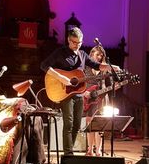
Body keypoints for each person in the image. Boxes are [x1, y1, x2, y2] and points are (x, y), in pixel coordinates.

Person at [41, 27, 119, 156]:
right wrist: (61, 77)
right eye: (74, 42)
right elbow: (44, 65)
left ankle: (69, 149)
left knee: (77, 125)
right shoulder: (60, 52)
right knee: (69, 123)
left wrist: (111, 67)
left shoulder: (82, 54)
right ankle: (68, 154)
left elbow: (97, 65)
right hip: (65, 93)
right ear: (68, 40)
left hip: (79, 94)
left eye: (80, 43)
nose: (77, 45)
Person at [83, 45, 110, 156]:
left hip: (101, 98)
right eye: (97, 54)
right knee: (89, 124)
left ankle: (98, 150)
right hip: (88, 98)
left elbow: (107, 85)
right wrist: (84, 92)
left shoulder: (103, 68)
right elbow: (80, 82)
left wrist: (115, 86)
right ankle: (89, 149)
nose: (99, 57)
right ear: (92, 53)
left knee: (99, 124)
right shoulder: (85, 66)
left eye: (101, 55)